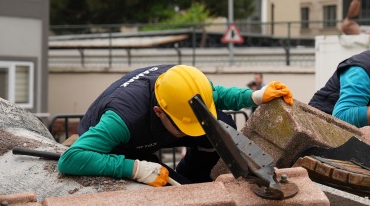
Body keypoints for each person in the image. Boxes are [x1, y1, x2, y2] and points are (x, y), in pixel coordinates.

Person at [57, 65, 294, 187]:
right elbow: (71, 158)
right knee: (164, 180)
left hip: (157, 126)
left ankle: (196, 181)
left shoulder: (184, 82)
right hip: (126, 143)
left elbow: (216, 95)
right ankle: (178, 182)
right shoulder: (120, 120)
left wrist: (255, 97)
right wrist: (134, 168)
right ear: (159, 112)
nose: (191, 131)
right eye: (184, 126)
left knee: (221, 125)